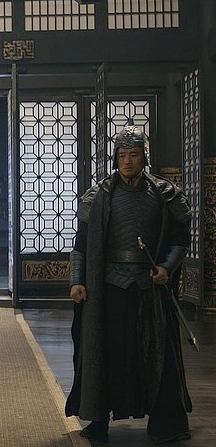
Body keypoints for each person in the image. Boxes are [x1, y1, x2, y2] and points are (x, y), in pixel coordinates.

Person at [65, 125, 193, 444]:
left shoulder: (164, 194)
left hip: (150, 287)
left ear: (143, 156)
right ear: (115, 158)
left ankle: (166, 424)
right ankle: (98, 421)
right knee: (105, 353)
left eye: (133, 155)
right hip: (109, 288)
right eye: (122, 155)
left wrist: (166, 268)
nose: (127, 161)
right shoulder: (99, 196)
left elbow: (180, 240)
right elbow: (81, 246)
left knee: (158, 354)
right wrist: (77, 281)